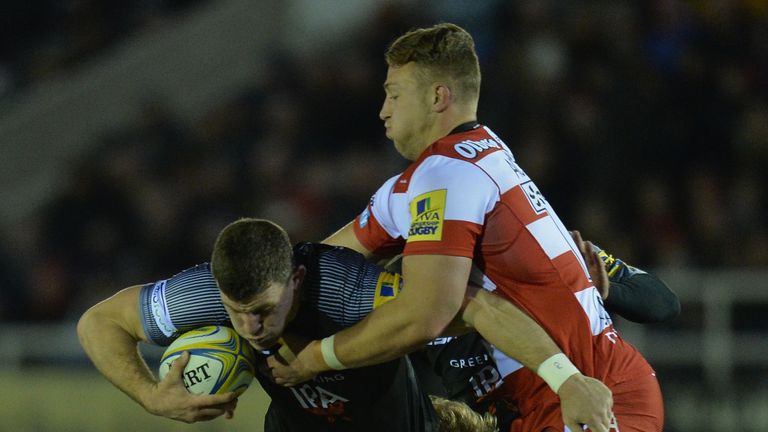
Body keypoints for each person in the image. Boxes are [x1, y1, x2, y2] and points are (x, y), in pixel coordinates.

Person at [267, 23, 665, 432]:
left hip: (588, 395)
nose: (383, 109)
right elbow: (308, 269)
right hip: (541, 401)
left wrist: (315, 357)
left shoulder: (446, 174)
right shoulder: (452, 165)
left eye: (394, 94)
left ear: (438, 97)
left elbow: (425, 315)